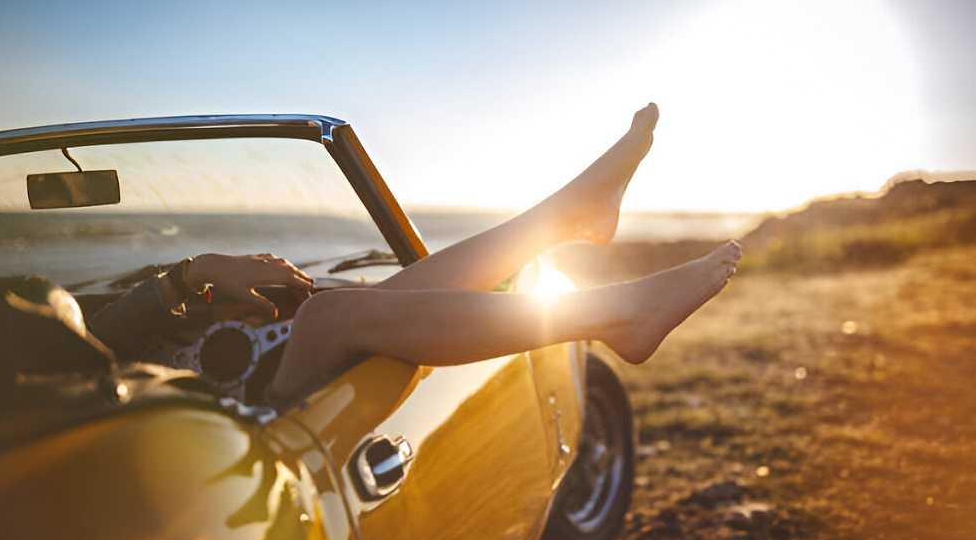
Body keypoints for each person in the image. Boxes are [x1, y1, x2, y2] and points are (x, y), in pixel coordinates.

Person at [57, 103, 738, 401]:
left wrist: (198, 271)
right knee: (334, 317)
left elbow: (77, 334)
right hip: (168, 438)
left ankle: (567, 217)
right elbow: (63, 356)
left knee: (357, 304)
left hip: (178, 404)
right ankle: (613, 310)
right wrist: (191, 275)